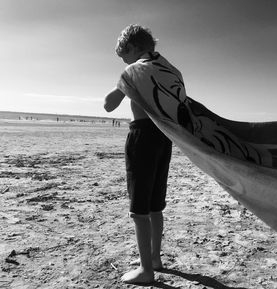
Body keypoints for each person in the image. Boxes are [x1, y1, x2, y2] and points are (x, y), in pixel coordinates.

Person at [104, 24, 175, 284]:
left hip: (143, 137)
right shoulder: (169, 70)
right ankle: (155, 258)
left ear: (133, 48)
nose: (125, 62)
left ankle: (146, 270)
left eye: (124, 56)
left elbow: (108, 105)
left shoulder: (135, 70)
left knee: (139, 210)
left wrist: (124, 84)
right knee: (156, 205)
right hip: (165, 137)